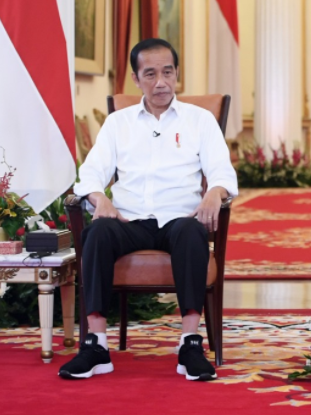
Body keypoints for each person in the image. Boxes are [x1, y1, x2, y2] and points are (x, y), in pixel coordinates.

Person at [58, 38, 238, 381]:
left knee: (191, 232)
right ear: (136, 78)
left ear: (177, 74)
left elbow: (222, 171)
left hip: (179, 219)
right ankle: (96, 345)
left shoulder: (199, 121)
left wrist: (215, 192)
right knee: (97, 232)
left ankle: (190, 343)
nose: (161, 82)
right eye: (151, 73)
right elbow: (91, 173)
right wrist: (101, 198)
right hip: (128, 220)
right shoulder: (118, 123)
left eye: (168, 72)